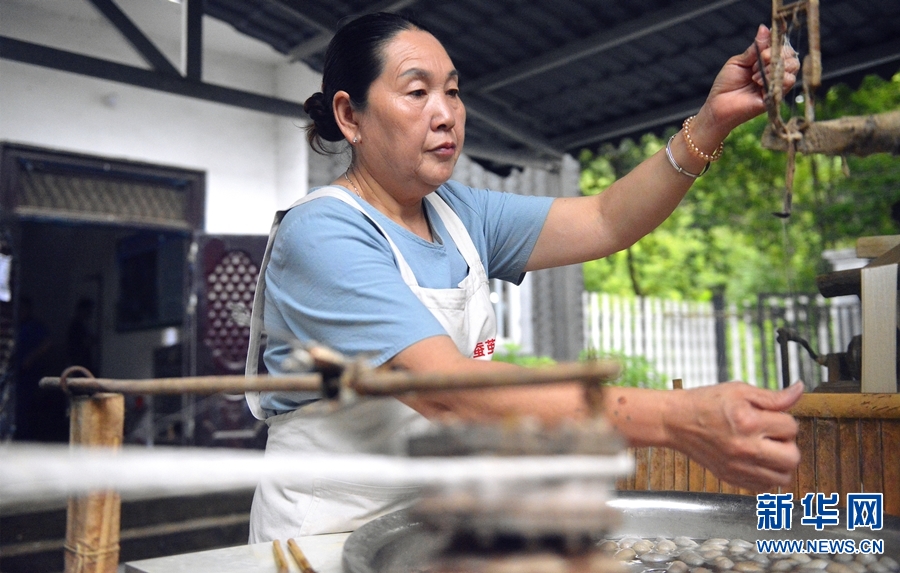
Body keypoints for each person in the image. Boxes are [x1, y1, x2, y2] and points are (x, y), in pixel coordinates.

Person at [246, 12, 804, 542]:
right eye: (417, 92)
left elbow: (607, 218)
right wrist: (682, 419)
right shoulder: (322, 233)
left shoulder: (459, 213)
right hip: (323, 538)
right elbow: (448, 395)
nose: (446, 114)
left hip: (430, 528)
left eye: (454, 91)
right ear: (350, 116)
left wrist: (712, 121)